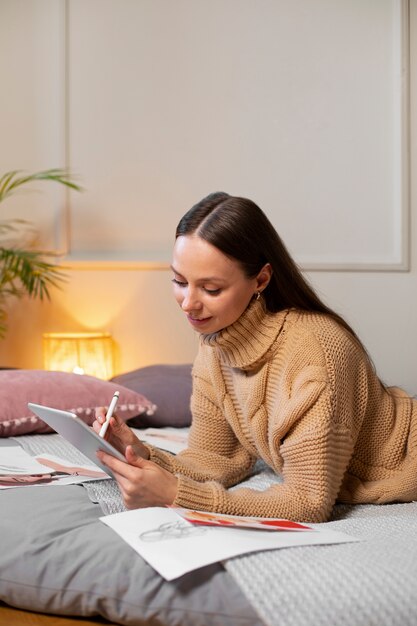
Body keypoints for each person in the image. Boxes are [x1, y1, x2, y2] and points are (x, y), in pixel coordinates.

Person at [94, 192, 417, 523]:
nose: (188, 303)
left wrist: (178, 494)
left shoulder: (317, 354)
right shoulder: (215, 344)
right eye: (179, 281)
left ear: (260, 279)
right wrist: (139, 452)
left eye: (211, 289)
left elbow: (308, 502)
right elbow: (213, 458)